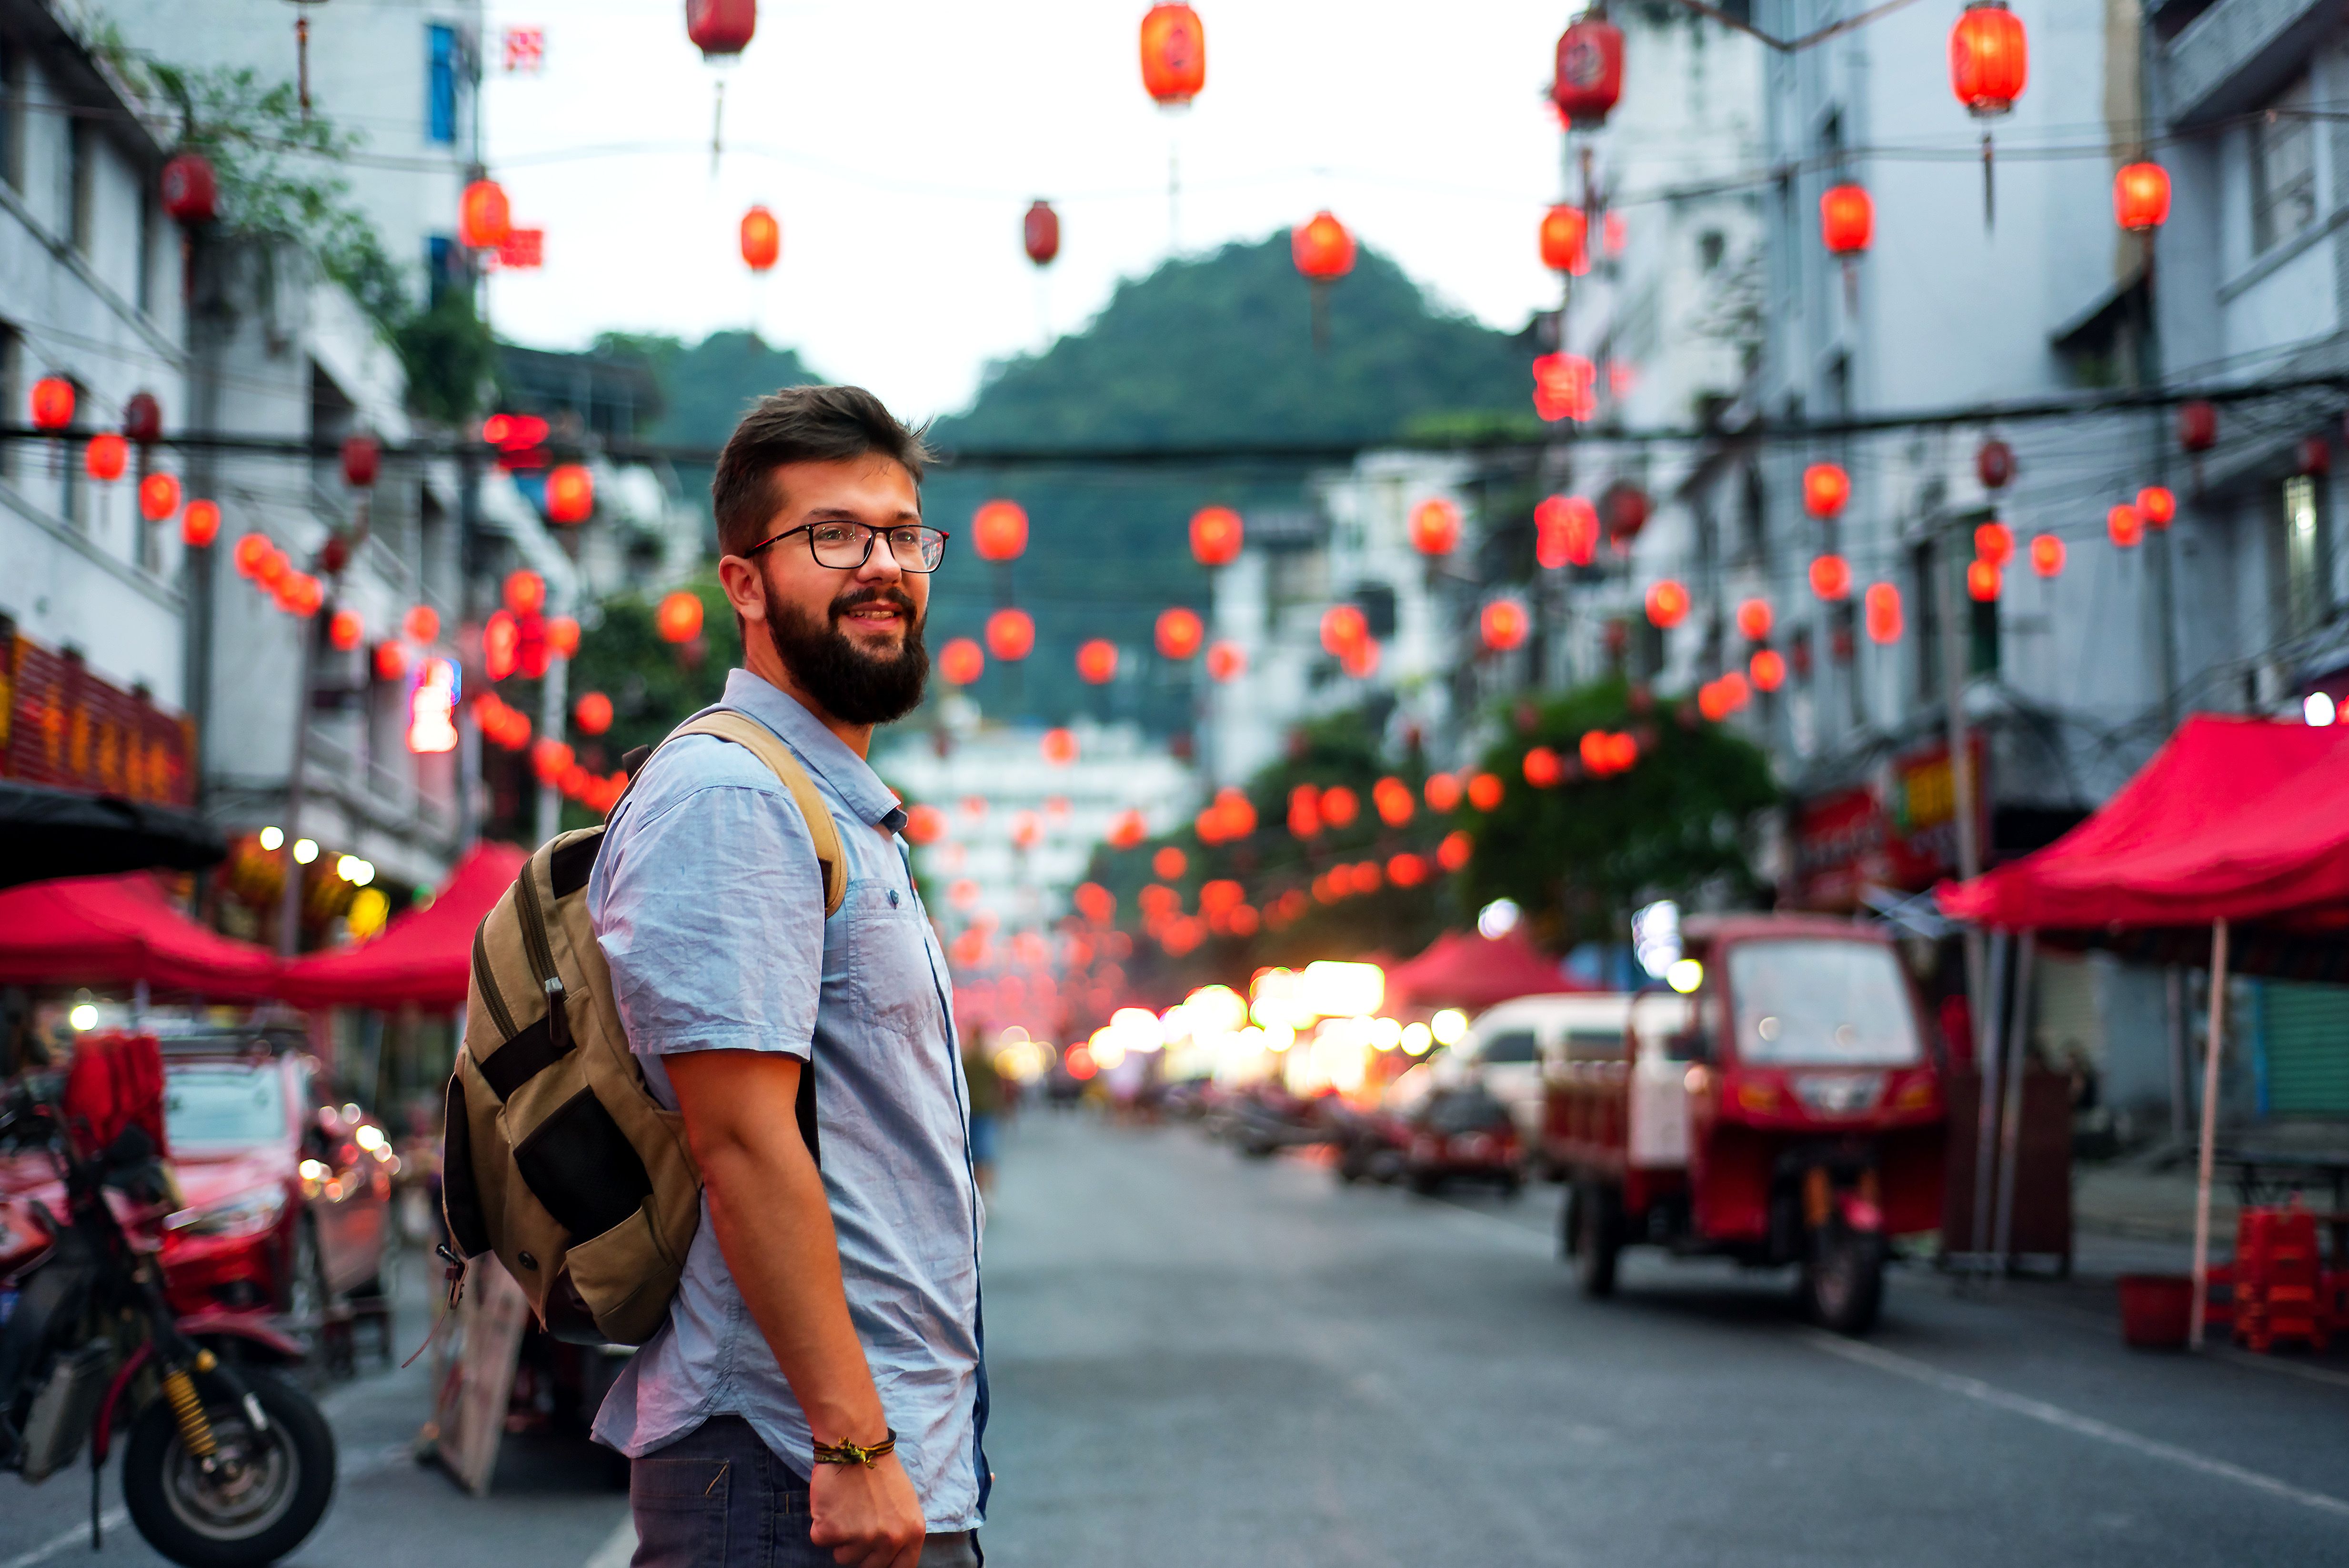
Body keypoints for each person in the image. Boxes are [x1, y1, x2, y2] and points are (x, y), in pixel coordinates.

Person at [588, 386, 987, 1568]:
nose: (882, 565)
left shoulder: (837, 810)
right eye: (834, 535)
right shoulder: (735, 796)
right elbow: (743, 1141)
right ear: (745, 583)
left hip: (866, 1462)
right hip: (788, 1476)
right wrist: (856, 1447)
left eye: (903, 533)